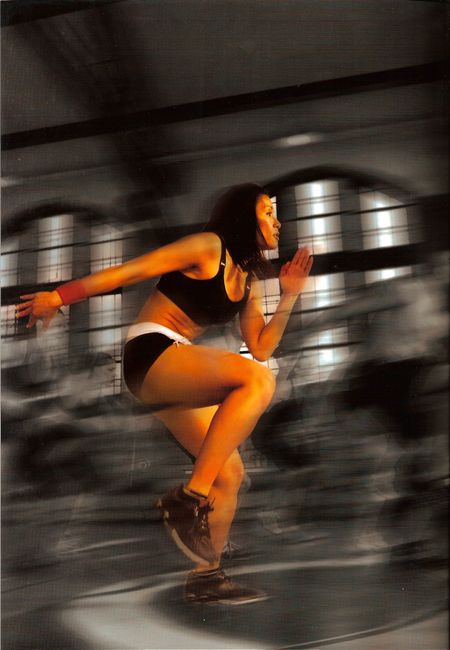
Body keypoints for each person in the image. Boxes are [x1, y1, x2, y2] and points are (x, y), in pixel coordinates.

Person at [17, 184, 313, 605]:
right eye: (268, 211)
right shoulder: (208, 247)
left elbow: (262, 346)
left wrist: (289, 296)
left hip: (176, 367)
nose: (277, 221)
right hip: (150, 351)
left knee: (230, 474)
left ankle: (207, 576)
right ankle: (188, 499)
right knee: (258, 381)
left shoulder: (248, 280)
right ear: (242, 216)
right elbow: (132, 270)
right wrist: (58, 296)